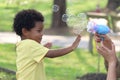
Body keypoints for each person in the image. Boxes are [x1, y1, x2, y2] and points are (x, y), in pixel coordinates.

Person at [13, 9, 81, 80]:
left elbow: (32, 56)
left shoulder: (22, 45)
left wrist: (43, 49)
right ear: (25, 31)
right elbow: (51, 54)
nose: (42, 34)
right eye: (38, 31)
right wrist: (71, 47)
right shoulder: (29, 44)